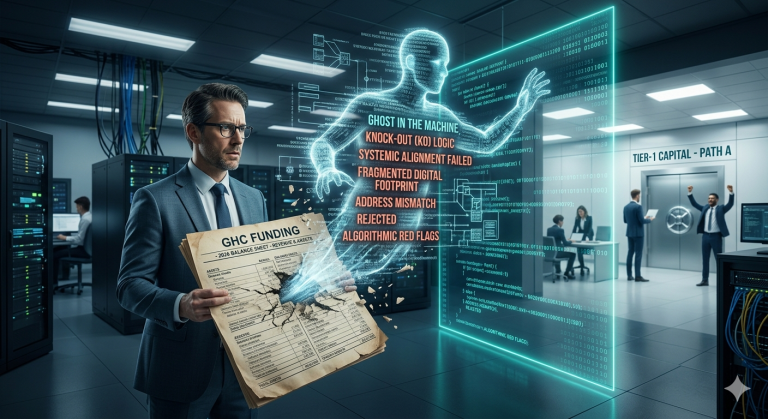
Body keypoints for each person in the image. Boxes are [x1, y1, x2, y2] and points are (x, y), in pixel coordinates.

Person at [116, 83, 357, 419]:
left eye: (243, 128)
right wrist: (181, 305)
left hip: (248, 363)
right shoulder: (156, 199)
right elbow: (129, 286)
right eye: (226, 127)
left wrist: (320, 282)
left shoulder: (252, 198)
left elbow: (268, 277)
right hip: (182, 364)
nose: (239, 138)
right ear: (193, 131)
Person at [310, 29, 550, 276]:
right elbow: (325, 143)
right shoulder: (372, 104)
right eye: (439, 64)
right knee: (316, 293)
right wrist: (326, 168)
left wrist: (520, 109)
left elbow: (486, 143)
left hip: (399, 240)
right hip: (360, 227)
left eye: (446, 66)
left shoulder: (440, 116)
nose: (444, 72)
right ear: (412, 62)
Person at [687, 184, 734, 286]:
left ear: (717, 200)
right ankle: (705, 280)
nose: (710, 200)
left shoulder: (721, 208)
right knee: (705, 259)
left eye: (712, 198)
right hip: (705, 237)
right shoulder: (705, 208)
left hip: (716, 237)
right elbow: (694, 204)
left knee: (718, 259)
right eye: (709, 198)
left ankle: (722, 280)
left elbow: (730, 204)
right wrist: (690, 193)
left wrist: (731, 192)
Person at [53, 196, 91, 283]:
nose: (76, 208)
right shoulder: (90, 217)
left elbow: (79, 239)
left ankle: (53, 283)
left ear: (80, 206)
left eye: (77, 206)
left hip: (83, 251)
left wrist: (64, 237)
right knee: (61, 249)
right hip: (89, 250)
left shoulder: (85, 220)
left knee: (54, 254)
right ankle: (61, 278)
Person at [624, 189, 654, 282]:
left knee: (630, 253)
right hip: (638, 234)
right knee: (638, 254)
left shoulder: (626, 207)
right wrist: (650, 219)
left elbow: (625, 220)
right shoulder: (638, 207)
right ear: (637, 196)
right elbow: (642, 221)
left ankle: (629, 275)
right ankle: (638, 276)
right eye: (639, 195)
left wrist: (642, 218)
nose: (639, 197)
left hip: (630, 233)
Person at [547, 215, 577, 280]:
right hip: (558, 253)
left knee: (560, 250)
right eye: (562, 221)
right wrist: (572, 241)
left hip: (551, 252)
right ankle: (567, 273)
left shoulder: (549, 229)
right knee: (573, 254)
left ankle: (558, 271)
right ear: (559, 221)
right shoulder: (560, 230)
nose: (563, 223)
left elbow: (554, 241)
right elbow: (565, 243)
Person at [572, 205, 594, 276]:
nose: (579, 213)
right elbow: (575, 228)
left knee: (580, 251)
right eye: (578, 212)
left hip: (588, 235)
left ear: (584, 211)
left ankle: (582, 267)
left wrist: (587, 237)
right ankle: (582, 266)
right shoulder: (577, 218)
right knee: (579, 251)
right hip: (580, 236)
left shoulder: (589, 218)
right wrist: (572, 237)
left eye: (581, 211)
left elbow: (590, 228)